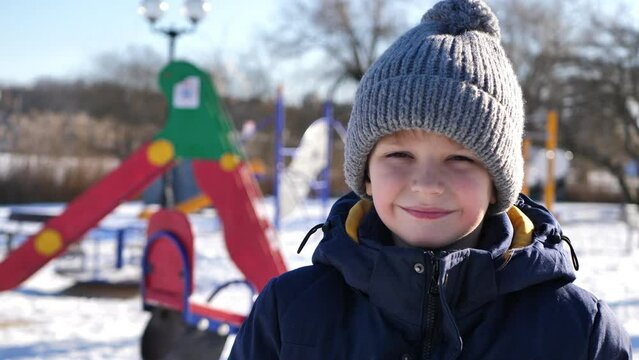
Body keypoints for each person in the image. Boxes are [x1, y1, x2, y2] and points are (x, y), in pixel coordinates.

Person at [229, 0, 633, 358]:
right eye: (399, 154)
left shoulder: (579, 332)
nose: (426, 183)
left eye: (460, 158)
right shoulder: (289, 315)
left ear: (497, 183)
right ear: (366, 174)